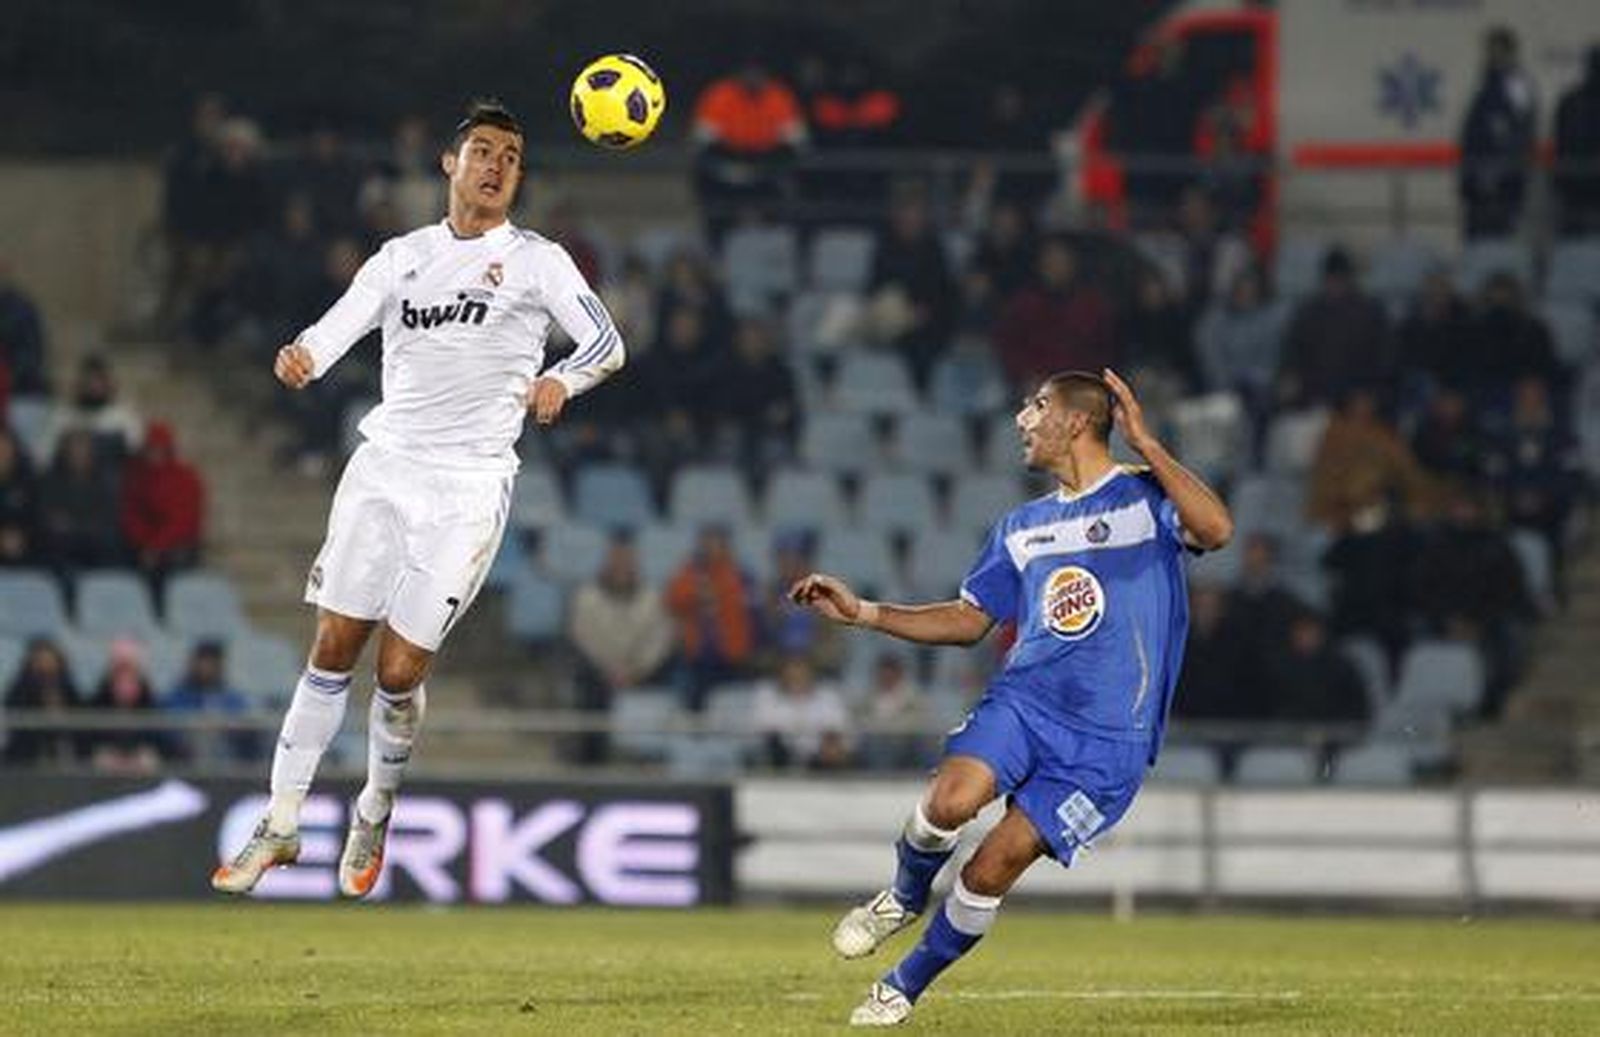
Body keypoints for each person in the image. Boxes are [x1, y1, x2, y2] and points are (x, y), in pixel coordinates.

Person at [211, 100, 625, 898]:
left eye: (512, 156)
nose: (497, 165)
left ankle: (374, 806)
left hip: (467, 486)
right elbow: (333, 330)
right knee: (332, 647)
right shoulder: (402, 257)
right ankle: (282, 820)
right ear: (449, 164)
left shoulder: (538, 261)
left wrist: (562, 379)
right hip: (385, 471)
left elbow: (607, 343)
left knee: (399, 670)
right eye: (483, 150)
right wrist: (302, 357)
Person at [789, 369, 1232, 1026]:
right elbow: (969, 620)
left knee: (991, 867)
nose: (1022, 418)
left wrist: (1148, 444)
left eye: (1037, 405)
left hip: (1108, 741)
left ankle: (904, 983)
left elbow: (1216, 530)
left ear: (1076, 421)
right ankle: (903, 897)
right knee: (949, 801)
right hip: (1027, 703)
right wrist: (865, 612)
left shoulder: (1146, 497)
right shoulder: (1022, 527)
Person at [566, 533, 674, 763]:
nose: (622, 567)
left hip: (642, 673)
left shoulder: (652, 598)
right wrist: (610, 670)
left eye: (627, 561)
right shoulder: (587, 597)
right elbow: (584, 638)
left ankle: (650, 759)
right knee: (588, 686)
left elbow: (658, 640)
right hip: (599, 672)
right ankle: (592, 761)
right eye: (617, 561)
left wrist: (636, 670)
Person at [1458, 26, 1537, 239]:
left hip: (1504, 181)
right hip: (1477, 180)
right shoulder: (1484, 84)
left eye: (1498, 50)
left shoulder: (1517, 85)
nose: (1493, 56)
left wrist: (1501, 170)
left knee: (1500, 238)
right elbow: (1474, 134)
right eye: (1490, 50)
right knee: (1477, 237)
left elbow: (1522, 134)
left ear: (1510, 52)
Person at [119, 420, 205, 594]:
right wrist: (145, 544)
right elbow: (131, 515)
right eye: (151, 449)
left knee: (174, 562)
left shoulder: (186, 478)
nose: (155, 454)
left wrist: (156, 547)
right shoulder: (136, 478)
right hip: (143, 545)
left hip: (175, 545)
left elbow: (183, 521)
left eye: (160, 449)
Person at [749, 655, 853, 770]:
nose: (796, 678)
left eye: (801, 674)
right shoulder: (766, 695)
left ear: (811, 675)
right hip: (780, 758)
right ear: (781, 676)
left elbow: (839, 728)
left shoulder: (829, 696)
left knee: (834, 748)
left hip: (819, 759)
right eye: (791, 675)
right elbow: (761, 728)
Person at [165, 640, 259, 767]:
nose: (208, 667)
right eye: (204, 661)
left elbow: (243, 719)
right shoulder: (180, 694)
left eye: (213, 662)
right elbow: (171, 723)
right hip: (186, 758)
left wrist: (224, 723)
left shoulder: (229, 695)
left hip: (227, 757)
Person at [1554, 45, 1600, 236]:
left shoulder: (1571, 102)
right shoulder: (1571, 103)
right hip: (1575, 191)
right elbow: (1561, 147)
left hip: (1575, 191)